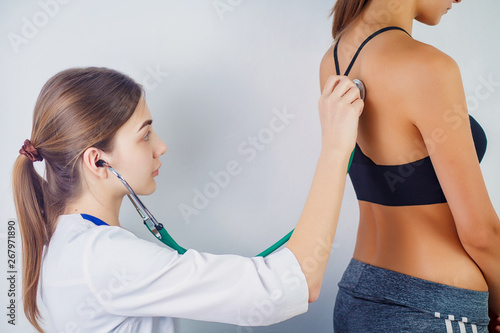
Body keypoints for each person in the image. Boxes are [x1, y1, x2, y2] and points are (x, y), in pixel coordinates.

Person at [12, 67, 363, 332]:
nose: (161, 146)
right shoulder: (101, 257)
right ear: (98, 161)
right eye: (145, 135)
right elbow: (291, 283)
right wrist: (335, 147)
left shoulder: (66, 242)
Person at [319, 0, 500, 332]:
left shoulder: (333, 59)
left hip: (355, 297)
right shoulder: (428, 66)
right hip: (434, 310)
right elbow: (480, 232)